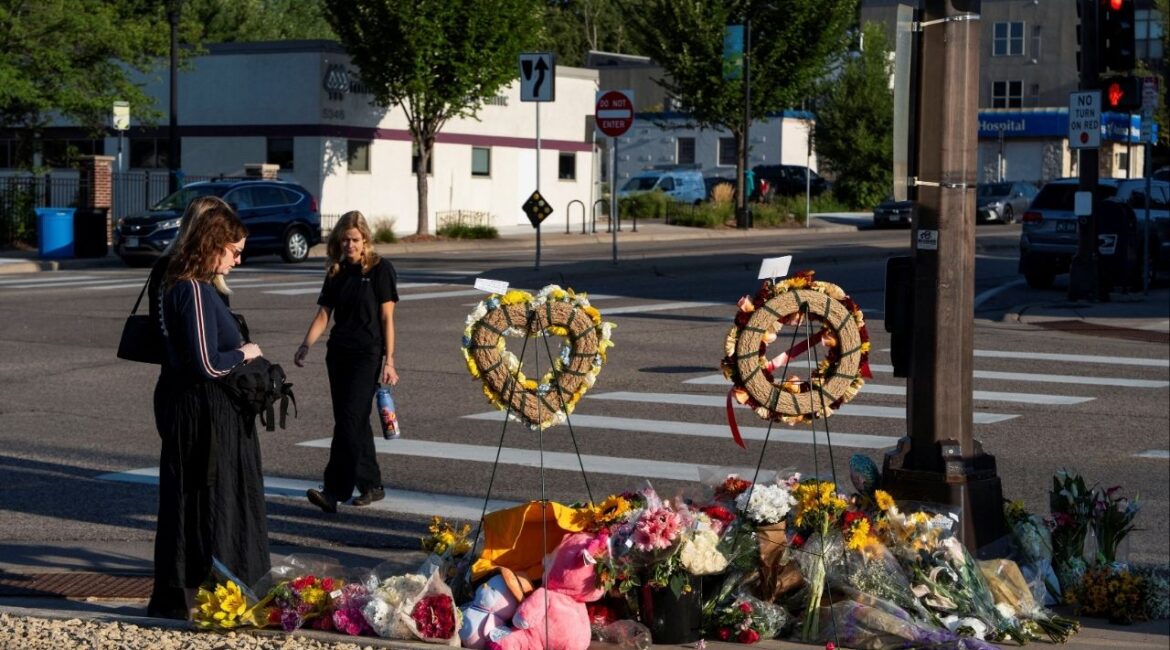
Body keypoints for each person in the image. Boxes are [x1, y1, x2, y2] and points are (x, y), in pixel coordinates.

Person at [147, 203, 270, 619]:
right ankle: (209, 594)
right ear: (212, 245)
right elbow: (208, 362)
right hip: (202, 414)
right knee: (208, 503)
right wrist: (246, 352)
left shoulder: (174, 281)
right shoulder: (191, 288)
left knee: (191, 503)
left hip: (190, 408)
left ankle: (191, 596)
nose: (238, 259)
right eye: (234, 250)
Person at [295, 210, 399, 514]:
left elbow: (387, 318)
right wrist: (305, 345)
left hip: (368, 354)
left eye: (354, 239)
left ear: (365, 238)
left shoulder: (381, 270)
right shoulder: (337, 272)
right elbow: (324, 314)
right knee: (351, 421)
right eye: (344, 241)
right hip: (338, 354)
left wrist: (389, 361)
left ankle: (333, 491)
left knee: (350, 421)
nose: (349, 245)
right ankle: (371, 484)